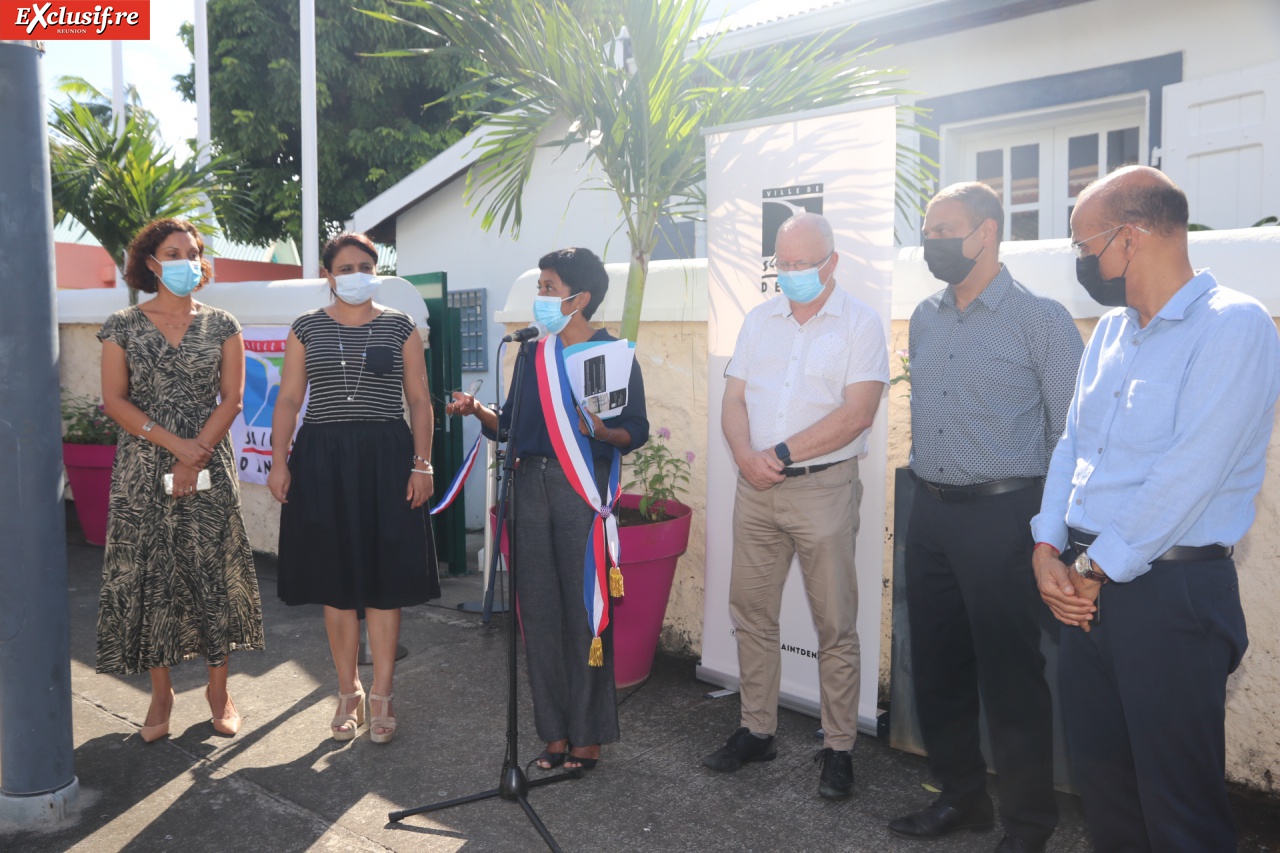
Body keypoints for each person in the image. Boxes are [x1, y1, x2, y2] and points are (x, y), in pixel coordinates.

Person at [1031, 166, 1280, 851]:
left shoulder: (1235, 325)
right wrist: (1047, 545)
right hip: (1085, 585)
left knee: (1179, 811)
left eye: (1084, 245)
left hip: (1170, 596)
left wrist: (1092, 568)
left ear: (1130, 237)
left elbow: (1188, 474)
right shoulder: (1112, 332)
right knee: (1107, 796)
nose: (1081, 260)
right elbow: (1073, 445)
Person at [889, 183, 1081, 852]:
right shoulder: (925, 316)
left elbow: (1072, 436)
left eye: (945, 229)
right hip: (931, 513)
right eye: (927, 229)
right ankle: (962, 797)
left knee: (1011, 678)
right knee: (937, 667)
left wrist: (1054, 532)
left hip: (1006, 517)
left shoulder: (1041, 320)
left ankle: (1028, 827)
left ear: (988, 233)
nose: (931, 240)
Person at [703, 212, 888, 800]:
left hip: (822, 489)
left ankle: (839, 747)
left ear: (832, 263)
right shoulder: (759, 321)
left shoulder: (861, 323)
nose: (791, 273)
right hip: (756, 488)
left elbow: (858, 414)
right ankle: (757, 730)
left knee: (835, 623)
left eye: (803, 263)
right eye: (782, 263)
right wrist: (745, 455)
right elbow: (733, 400)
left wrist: (777, 454)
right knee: (751, 613)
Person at [447, 247, 648, 771]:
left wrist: (604, 432)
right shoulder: (532, 354)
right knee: (537, 613)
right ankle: (554, 733)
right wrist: (478, 410)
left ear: (579, 298)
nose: (540, 296)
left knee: (583, 614)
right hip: (528, 487)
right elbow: (511, 425)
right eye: (539, 286)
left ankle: (588, 735)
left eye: (548, 287)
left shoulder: (612, 355)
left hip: (579, 491)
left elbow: (636, 431)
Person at [268, 232, 440, 745]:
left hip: (387, 458)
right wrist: (279, 461)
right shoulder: (305, 327)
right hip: (323, 459)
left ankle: (383, 693)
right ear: (328, 274)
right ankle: (349, 691)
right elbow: (288, 400)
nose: (357, 275)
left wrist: (422, 464)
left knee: (386, 578)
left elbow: (420, 400)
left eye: (366, 266)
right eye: (345, 268)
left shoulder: (400, 325)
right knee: (335, 580)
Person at [97, 217, 264, 742]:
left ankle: (219, 692)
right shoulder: (122, 325)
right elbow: (114, 401)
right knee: (152, 577)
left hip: (208, 459)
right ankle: (161, 693)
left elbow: (232, 399)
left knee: (212, 572)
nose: (186, 263)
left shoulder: (223, 324)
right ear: (151, 263)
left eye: (192, 253)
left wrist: (195, 456)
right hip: (143, 467)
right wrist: (176, 447)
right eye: (173, 254)